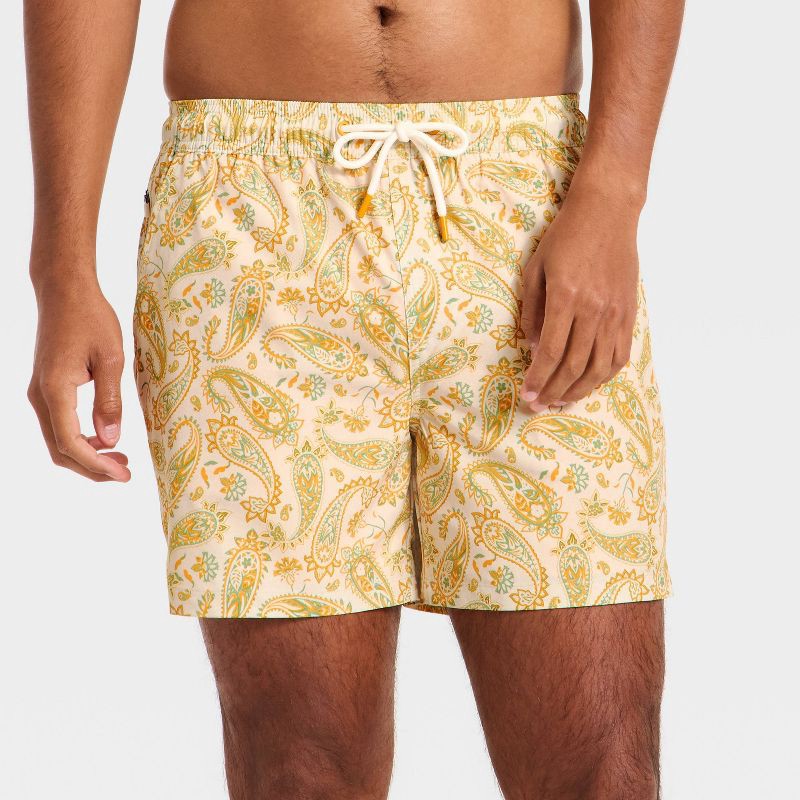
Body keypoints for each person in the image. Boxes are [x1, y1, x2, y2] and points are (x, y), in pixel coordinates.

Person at [23, 1, 683, 797]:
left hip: (523, 204)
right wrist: (62, 271)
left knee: (604, 772)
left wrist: (613, 191)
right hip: (251, 216)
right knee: (300, 774)